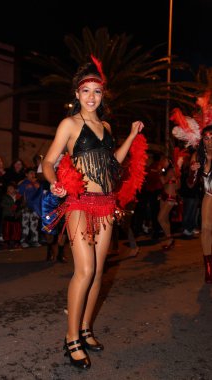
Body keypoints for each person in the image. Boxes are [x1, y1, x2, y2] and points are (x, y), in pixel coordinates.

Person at [42, 57, 144, 370]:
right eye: (85, 91)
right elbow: (48, 161)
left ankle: (85, 328)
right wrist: (55, 181)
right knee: (84, 271)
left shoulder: (107, 127)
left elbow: (113, 161)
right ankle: (71, 337)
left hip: (106, 204)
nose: (91, 97)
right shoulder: (69, 125)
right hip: (78, 203)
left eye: (96, 92)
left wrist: (130, 135)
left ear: (102, 95)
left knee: (99, 271)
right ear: (76, 94)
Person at [188, 125, 212, 283]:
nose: (210, 142)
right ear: (202, 141)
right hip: (209, 196)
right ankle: (209, 269)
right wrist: (193, 171)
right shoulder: (198, 157)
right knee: (205, 229)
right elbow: (190, 184)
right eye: (207, 138)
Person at [157, 155, 180, 251]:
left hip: (170, 198)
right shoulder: (171, 171)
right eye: (162, 161)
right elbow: (176, 186)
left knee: (160, 218)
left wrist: (159, 171)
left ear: (169, 162)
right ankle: (169, 240)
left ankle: (170, 238)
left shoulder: (171, 171)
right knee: (165, 219)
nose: (163, 163)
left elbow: (163, 181)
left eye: (165, 161)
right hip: (164, 196)